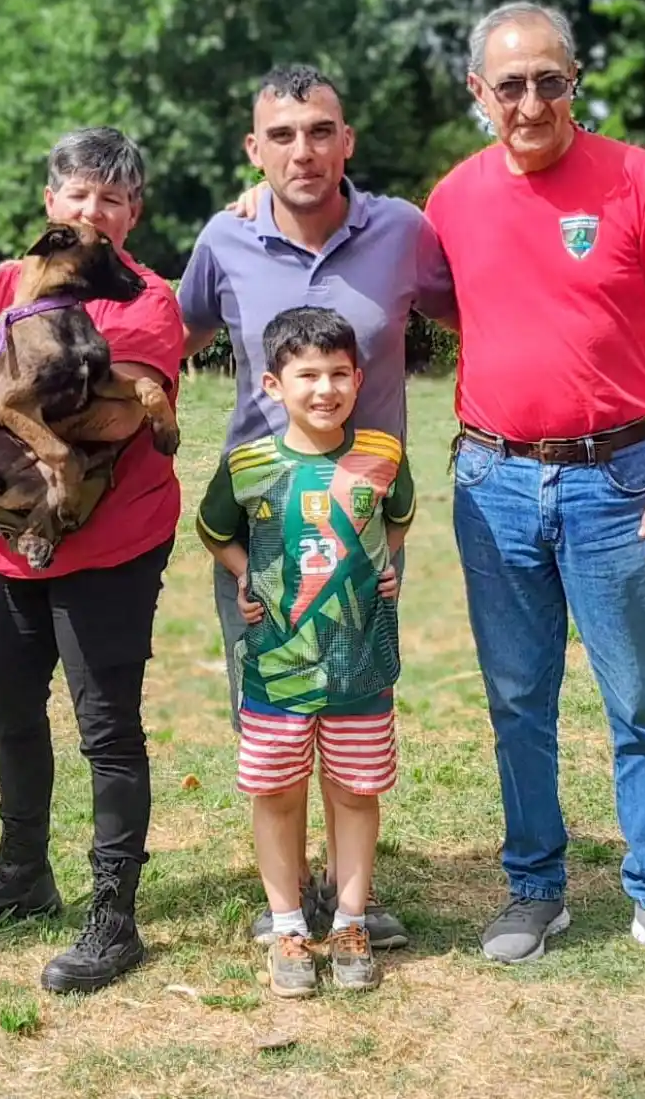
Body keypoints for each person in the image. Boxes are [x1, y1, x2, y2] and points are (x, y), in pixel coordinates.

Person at [423, 1, 645, 978]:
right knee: (518, 700)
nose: (531, 100)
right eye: (509, 84)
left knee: (637, 699)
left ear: (575, 80)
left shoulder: (635, 177)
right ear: (479, 93)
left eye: (550, 78)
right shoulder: (451, 200)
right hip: (493, 481)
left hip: (621, 480)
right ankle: (534, 885)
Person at [0, 126, 184, 995]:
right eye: (80, 195)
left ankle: (113, 916)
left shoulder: (142, 299)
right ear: (53, 204)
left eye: (115, 199)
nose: (95, 210)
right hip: (12, 550)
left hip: (110, 544)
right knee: (7, 708)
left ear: (132, 214)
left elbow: (113, 417)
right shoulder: (11, 280)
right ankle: (22, 873)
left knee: (106, 729)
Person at [178, 63, 456, 949]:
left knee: (354, 706)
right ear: (253, 149)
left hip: (363, 528)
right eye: (283, 135)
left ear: (347, 141)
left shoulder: (403, 231)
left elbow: (474, 317)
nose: (305, 150)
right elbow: (168, 334)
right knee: (269, 711)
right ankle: (286, 895)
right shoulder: (222, 240)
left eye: (321, 131)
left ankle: (352, 896)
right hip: (262, 531)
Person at [197, 306, 414, 996]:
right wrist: (240, 573)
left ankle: (350, 919)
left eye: (338, 373)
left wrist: (382, 564)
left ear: (358, 377)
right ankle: (288, 922)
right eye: (307, 375)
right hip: (276, 666)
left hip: (359, 664)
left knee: (354, 790)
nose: (324, 388)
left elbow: (398, 518)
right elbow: (211, 530)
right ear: (271, 383)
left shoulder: (383, 456)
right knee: (277, 789)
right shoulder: (249, 463)